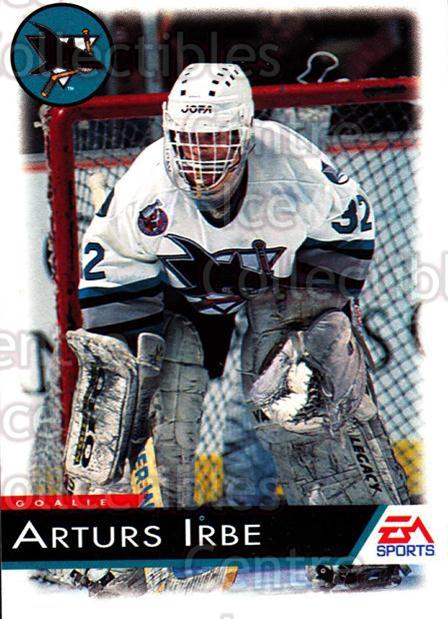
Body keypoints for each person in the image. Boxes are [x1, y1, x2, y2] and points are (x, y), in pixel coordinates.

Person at [64, 63, 409, 593]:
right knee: (130, 408)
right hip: (172, 302)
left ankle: (356, 543)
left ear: (245, 131)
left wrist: (314, 318)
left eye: (215, 139)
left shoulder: (294, 167)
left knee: (310, 395)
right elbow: (111, 275)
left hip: (279, 289)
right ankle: (113, 555)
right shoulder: (145, 188)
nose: (200, 157)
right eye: (188, 140)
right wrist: (134, 363)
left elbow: (349, 232)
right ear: (168, 130)